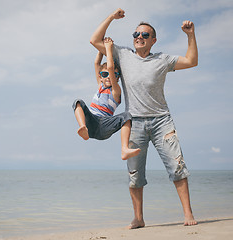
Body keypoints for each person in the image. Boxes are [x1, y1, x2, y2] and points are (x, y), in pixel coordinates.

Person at [90, 8, 198, 228]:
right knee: (134, 174)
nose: (139, 37)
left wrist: (190, 35)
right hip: (134, 123)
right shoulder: (123, 55)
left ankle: (188, 214)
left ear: (153, 40)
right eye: (136, 34)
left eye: (145, 35)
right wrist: (111, 17)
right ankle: (138, 218)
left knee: (177, 168)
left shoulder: (163, 59)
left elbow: (191, 61)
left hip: (162, 122)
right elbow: (94, 40)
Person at [73, 37, 141, 160]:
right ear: (100, 76)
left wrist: (109, 49)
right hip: (91, 123)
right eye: (105, 75)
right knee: (78, 102)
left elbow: (110, 68)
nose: (109, 77)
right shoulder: (100, 85)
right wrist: (101, 48)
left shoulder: (115, 90)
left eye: (113, 75)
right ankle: (83, 127)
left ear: (117, 78)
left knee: (126, 116)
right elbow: (96, 63)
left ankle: (124, 149)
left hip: (104, 125)